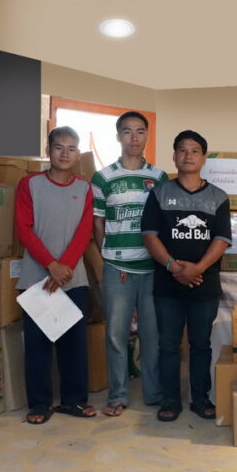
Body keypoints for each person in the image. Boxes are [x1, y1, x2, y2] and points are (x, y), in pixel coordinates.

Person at [141, 130, 231, 422]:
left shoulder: (218, 197)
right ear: (174, 156)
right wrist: (173, 267)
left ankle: (200, 399)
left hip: (204, 285)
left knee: (200, 345)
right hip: (167, 286)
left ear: (203, 158)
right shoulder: (159, 193)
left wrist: (197, 268)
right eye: (182, 150)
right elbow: (150, 235)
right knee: (168, 345)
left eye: (194, 150)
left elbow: (221, 239)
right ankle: (170, 399)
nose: (188, 155)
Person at [15, 126, 95, 424]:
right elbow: (24, 228)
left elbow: (84, 232)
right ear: (49, 150)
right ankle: (39, 404)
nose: (65, 153)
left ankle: (74, 401)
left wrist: (63, 268)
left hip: (74, 279)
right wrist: (51, 265)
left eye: (71, 148)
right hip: (36, 279)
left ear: (78, 154)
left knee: (74, 344)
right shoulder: (29, 184)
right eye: (59, 147)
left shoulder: (84, 188)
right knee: (37, 346)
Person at [92, 111, 168, 417]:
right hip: (117, 268)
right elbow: (98, 224)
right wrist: (109, 255)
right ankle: (118, 395)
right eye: (127, 131)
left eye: (140, 131)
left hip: (151, 269)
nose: (134, 138)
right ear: (118, 136)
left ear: (147, 136)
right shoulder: (103, 177)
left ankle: (154, 393)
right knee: (116, 335)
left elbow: (164, 224)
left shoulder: (160, 177)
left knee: (152, 335)